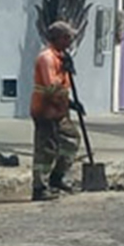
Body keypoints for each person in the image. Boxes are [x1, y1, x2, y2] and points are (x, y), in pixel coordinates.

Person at [30, 20, 82, 200]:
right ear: (58, 38)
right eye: (67, 38)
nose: (70, 42)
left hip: (59, 109)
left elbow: (62, 84)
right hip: (45, 109)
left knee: (71, 140)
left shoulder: (60, 56)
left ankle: (57, 178)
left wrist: (70, 102)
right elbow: (51, 87)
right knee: (46, 149)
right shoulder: (46, 58)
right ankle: (39, 188)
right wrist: (68, 102)